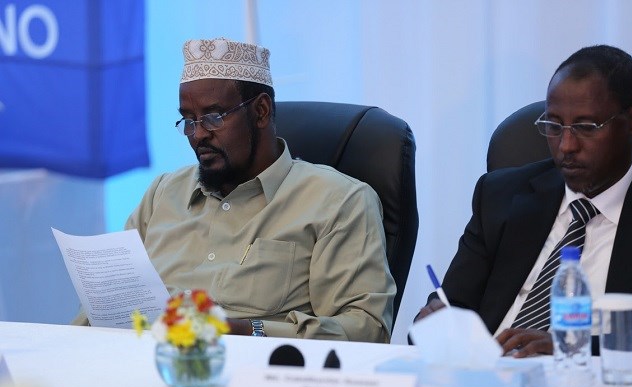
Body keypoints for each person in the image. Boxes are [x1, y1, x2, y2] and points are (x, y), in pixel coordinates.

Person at [75, 37, 395, 342]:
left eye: (213, 117)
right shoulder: (163, 194)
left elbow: (366, 330)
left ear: (261, 111)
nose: (198, 134)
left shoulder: (338, 201)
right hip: (142, 367)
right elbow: (99, 313)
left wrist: (247, 332)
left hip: (255, 373)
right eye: (188, 120)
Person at [415, 44, 632, 359]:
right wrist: (433, 321)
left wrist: (572, 346)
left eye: (586, 127)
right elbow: (453, 305)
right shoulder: (501, 196)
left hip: (594, 382)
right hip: (487, 378)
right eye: (554, 126)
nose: (566, 146)